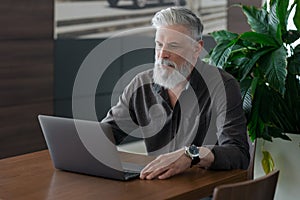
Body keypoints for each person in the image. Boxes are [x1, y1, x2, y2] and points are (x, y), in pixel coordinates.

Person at [101, 7, 250, 180]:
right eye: (159, 44)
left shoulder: (223, 85)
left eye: (173, 46)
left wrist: (191, 155)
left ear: (196, 49)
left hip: (204, 190)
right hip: (158, 186)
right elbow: (107, 134)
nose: (162, 54)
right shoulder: (141, 84)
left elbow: (238, 153)